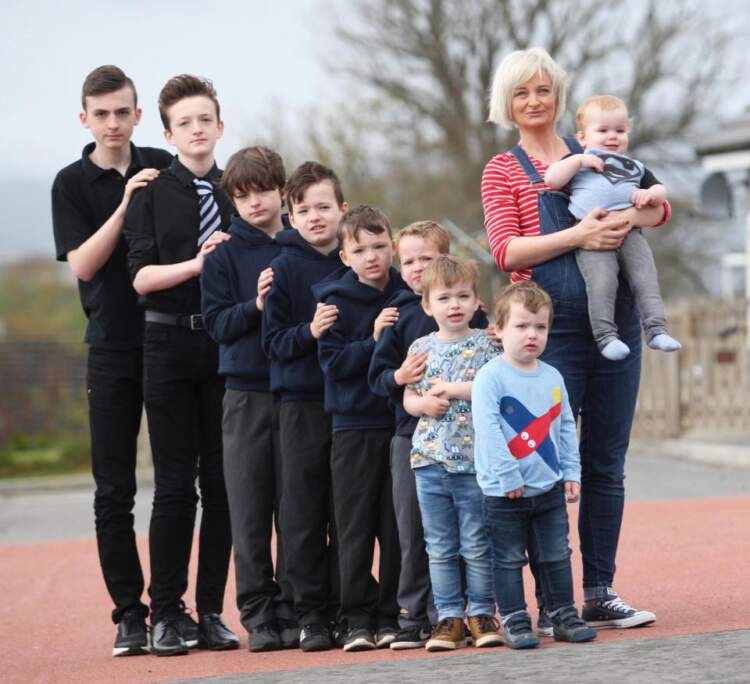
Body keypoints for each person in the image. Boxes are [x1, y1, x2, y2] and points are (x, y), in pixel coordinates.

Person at [481, 47, 662, 629]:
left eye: (543, 89)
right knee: (544, 462)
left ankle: (600, 590)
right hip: (548, 332)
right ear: (507, 103)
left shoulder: (599, 146)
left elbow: (657, 209)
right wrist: (579, 235)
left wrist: (629, 217)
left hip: (617, 327)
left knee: (607, 461)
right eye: (522, 92)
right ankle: (552, 601)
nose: (534, 101)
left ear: (559, 95)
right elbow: (506, 251)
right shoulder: (503, 169)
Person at [51, 65, 172, 657]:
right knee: (114, 491)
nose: (113, 123)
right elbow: (82, 263)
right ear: (85, 119)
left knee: (178, 485)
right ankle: (130, 614)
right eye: (101, 114)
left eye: (123, 112)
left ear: (138, 114)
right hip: (110, 350)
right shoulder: (70, 183)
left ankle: (174, 610)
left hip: (171, 343)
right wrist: (126, 204)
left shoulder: (165, 165)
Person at [124, 74, 239, 656]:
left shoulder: (236, 192)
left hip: (224, 348)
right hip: (167, 344)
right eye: (185, 123)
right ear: (168, 134)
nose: (197, 130)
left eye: (205, 120)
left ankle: (211, 611)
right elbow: (140, 277)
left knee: (221, 485)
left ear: (220, 126)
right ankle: (166, 613)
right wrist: (198, 264)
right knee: (174, 487)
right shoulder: (150, 192)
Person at [368, 221, 488, 649]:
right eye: (410, 260)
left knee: (471, 532)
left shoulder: (471, 312)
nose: (418, 267)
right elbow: (378, 378)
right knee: (415, 531)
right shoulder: (398, 318)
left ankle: (465, 612)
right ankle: (415, 613)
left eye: (428, 258)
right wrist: (400, 378)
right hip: (413, 440)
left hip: (470, 442)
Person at [201, 146, 297, 652]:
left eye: (262, 191)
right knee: (250, 511)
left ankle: (297, 609)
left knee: (298, 510)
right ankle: (259, 614)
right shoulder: (223, 255)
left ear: (282, 190)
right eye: (242, 196)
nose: (254, 203)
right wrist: (256, 305)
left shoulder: (304, 246)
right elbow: (217, 325)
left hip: (300, 395)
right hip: (245, 395)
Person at [473, 281, 596, 649]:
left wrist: (571, 472)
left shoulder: (553, 376)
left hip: (547, 489)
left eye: (540, 327)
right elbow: (488, 428)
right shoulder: (490, 376)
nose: (532, 334)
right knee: (509, 559)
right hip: (504, 492)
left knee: (556, 555)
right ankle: (514, 619)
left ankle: (562, 614)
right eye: (522, 326)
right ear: (499, 329)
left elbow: (564, 425)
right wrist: (508, 473)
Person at [261, 161, 348, 652]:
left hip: (354, 407)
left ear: (342, 209)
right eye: (304, 210)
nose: (315, 217)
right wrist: (309, 332)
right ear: (290, 218)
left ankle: (349, 609)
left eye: (323, 207)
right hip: (301, 405)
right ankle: (309, 613)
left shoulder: (359, 261)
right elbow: (272, 342)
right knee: (303, 513)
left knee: (349, 513)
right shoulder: (283, 269)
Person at [315, 205, 405, 651]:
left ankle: (390, 615)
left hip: (399, 427)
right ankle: (355, 619)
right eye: (360, 250)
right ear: (344, 257)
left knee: (395, 528)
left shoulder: (410, 296)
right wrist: (372, 339)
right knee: (353, 527)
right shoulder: (333, 302)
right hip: (352, 428)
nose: (371, 256)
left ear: (393, 246)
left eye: (379, 246)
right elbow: (333, 365)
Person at [403, 256, 501, 652]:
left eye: (463, 296)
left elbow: (495, 389)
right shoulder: (420, 347)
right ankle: (449, 617)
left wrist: (453, 390)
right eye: (444, 298)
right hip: (429, 462)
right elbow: (408, 396)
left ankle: (482, 613)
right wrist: (422, 404)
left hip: (475, 463)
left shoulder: (487, 344)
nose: (454, 305)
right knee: (439, 546)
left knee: (476, 542)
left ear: (477, 301)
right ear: (428, 305)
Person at [544, 94, 681, 360]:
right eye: (603, 130)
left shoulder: (636, 167)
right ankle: (606, 337)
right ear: (582, 138)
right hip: (592, 237)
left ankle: (656, 330)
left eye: (619, 130)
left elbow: (661, 191)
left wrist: (650, 194)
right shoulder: (577, 161)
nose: (612, 136)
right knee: (602, 282)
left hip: (631, 235)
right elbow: (551, 179)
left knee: (646, 279)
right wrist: (578, 161)